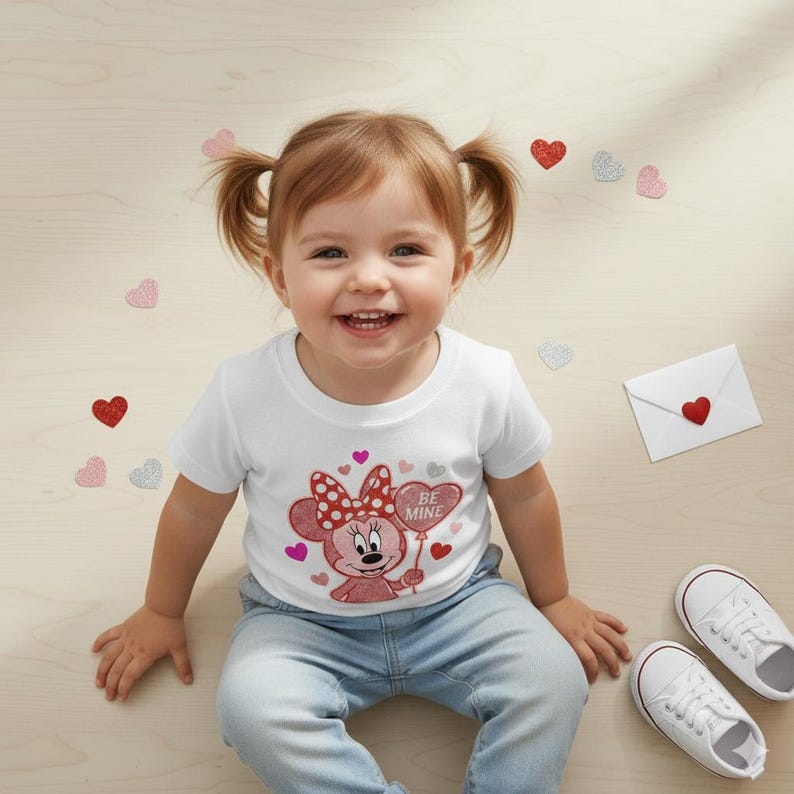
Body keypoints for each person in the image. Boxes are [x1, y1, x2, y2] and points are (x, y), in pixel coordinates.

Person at [93, 110, 632, 793]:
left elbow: (523, 491)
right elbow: (195, 509)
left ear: (458, 269)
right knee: (252, 709)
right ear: (279, 276)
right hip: (300, 622)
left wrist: (552, 599)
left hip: (460, 605)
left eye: (405, 250)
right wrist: (162, 608)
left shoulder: (485, 379)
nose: (370, 278)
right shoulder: (244, 391)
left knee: (552, 679)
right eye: (329, 253)